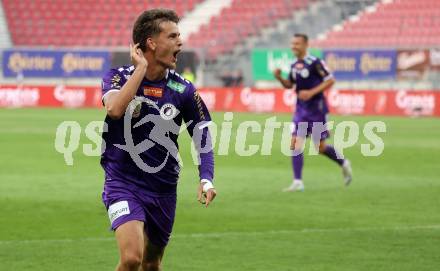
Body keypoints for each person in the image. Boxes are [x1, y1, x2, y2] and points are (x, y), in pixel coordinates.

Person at [100, 9, 216, 271]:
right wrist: (140, 69)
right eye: (173, 36)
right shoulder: (116, 77)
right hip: (123, 181)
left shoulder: (183, 89)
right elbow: (115, 109)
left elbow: (202, 134)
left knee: (151, 263)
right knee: (131, 258)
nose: (180, 42)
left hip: (163, 188)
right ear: (152, 43)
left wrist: (206, 177)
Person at [273, 33, 352, 192]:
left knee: (320, 147)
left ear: (306, 45)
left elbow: (330, 80)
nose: (293, 46)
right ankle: (297, 181)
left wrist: (311, 92)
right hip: (301, 110)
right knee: (295, 143)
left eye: (297, 44)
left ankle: (343, 163)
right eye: (292, 44)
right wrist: (279, 78)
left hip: (317, 110)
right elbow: (290, 85)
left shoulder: (315, 62)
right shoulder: (294, 64)